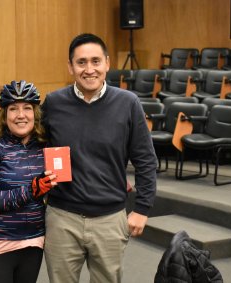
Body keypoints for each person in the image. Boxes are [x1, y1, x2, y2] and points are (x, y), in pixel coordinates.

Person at [41, 33, 157, 283]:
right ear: (70, 66)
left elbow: (146, 160)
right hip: (62, 218)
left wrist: (142, 208)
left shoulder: (128, 103)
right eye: (81, 62)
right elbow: (29, 144)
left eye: (96, 61)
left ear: (107, 63)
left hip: (110, 219)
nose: (89, 69)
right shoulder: (53, 103)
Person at [0, 80, 56, 283]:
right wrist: (32, 190)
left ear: (35, 113)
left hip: (33, 241)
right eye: (13, 109)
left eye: (27, 108)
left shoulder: (44, 147)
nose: (20, 115)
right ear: (4, 115)